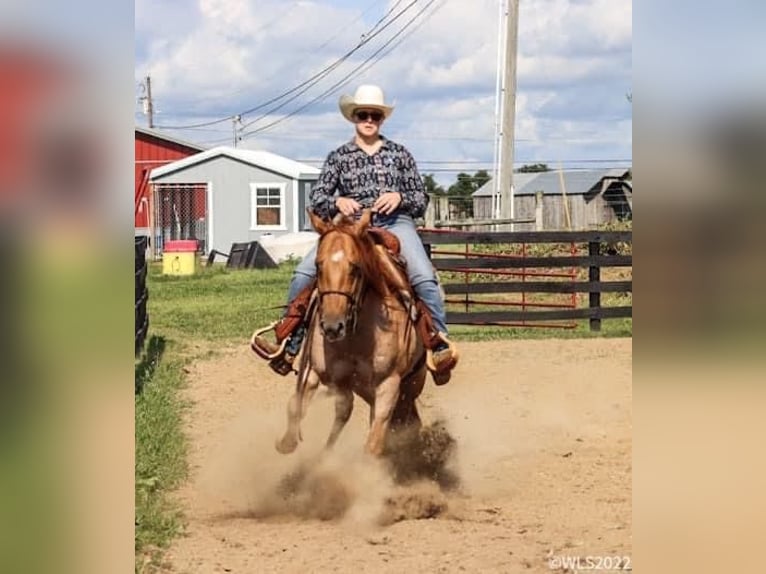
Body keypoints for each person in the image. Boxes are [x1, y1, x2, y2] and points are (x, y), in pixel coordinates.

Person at [253, 84, 457, 384]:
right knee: (304, 273)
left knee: (423, 277)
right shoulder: (339, 157)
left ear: (382, 118)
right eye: (363, 114)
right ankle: (289, 341)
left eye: (375, 114)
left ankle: (438, 343)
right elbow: (317, 199)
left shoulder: (400, 155)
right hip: (349, 228)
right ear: (353, 117)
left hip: (394, 223)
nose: (369, 119)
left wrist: (400, 198)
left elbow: (420, 198)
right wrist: (337, 201)